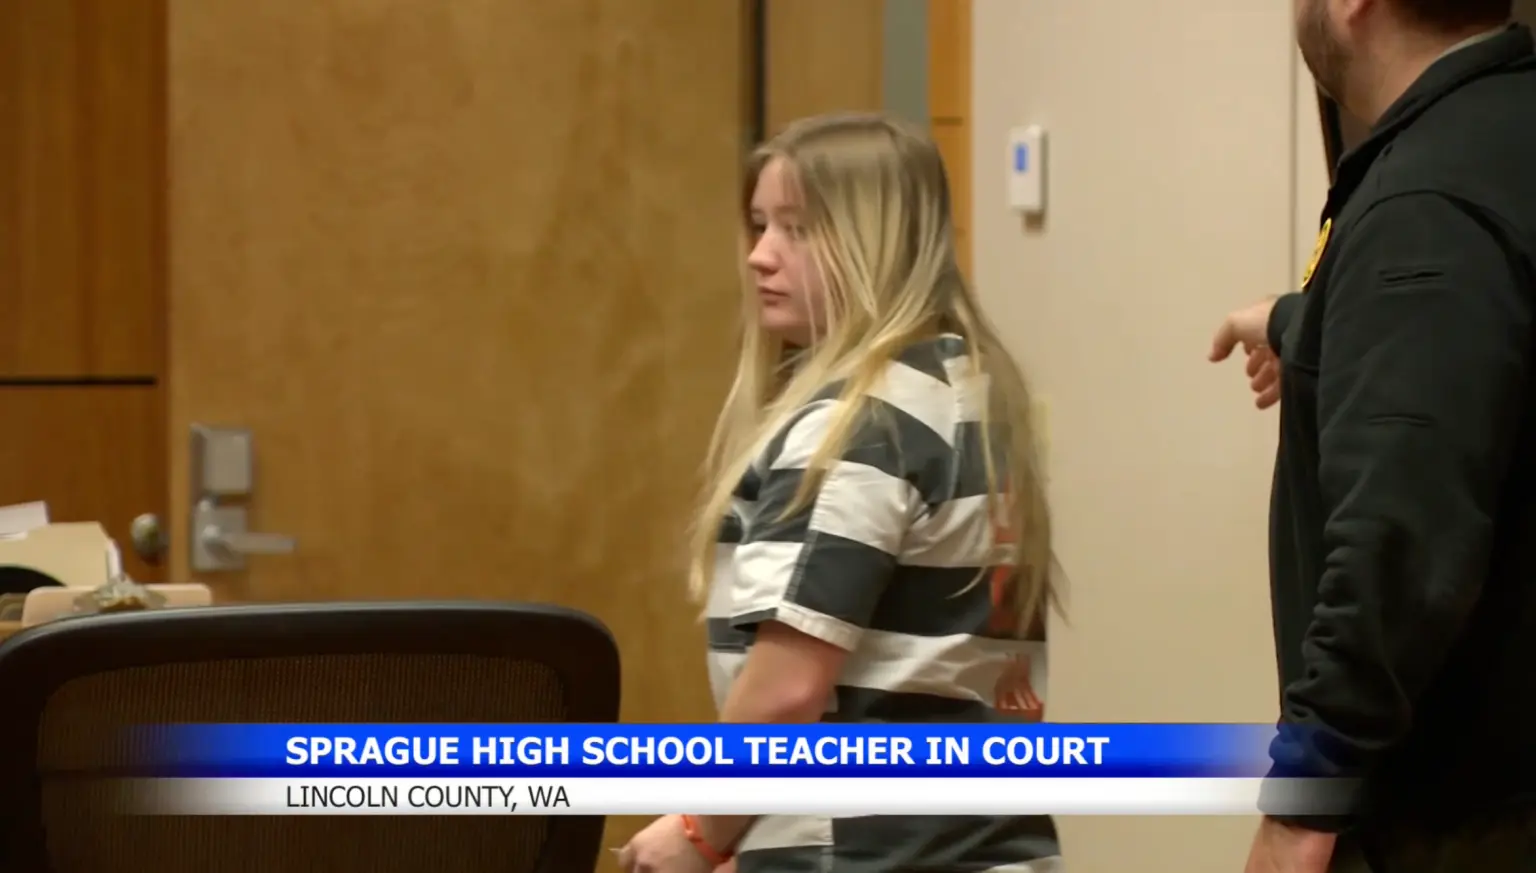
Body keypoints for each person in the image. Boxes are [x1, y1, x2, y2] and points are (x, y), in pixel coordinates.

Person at [616, 112, 1062, 873]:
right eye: (759, 224)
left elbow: (789, 688)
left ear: (876, 240)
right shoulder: (969, 396)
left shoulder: (857, 427)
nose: (760, 254)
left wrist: (699, 830)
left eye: (797, 229)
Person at [1209, 2, 1536, 871]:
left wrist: (1301, 806)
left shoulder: (1428, 198)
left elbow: (1398, 542)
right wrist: (1307, 326)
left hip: (1459, 829)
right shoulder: (1502, 141)